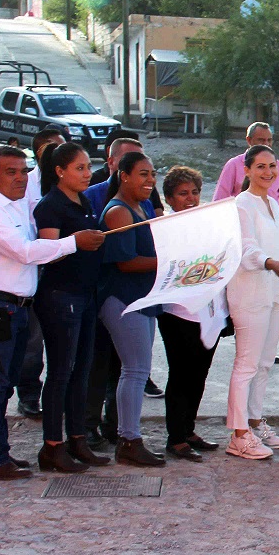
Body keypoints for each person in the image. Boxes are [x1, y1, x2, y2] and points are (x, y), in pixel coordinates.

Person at [0, 145, 103, 481]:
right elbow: (25, 251)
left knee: (6, 383)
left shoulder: (19, 203)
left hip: (19, 304)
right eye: (10, 172)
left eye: (24, 171)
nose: (20, 178)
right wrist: (74, 242)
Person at [32, 143, 112, 472]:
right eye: (78, 168)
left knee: (82, 371)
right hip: (61, 295)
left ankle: (78, 438)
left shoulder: (84, 201)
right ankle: (53, 444)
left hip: (86, 294)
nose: (86, 173)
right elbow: (48, 250)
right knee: (61, 372)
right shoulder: (50, 206)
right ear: (59, 171)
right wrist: (78, 241)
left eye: (87, 167)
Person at [85, 136, 162, 441]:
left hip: (142, 299)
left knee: (136, 370)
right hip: (122, 299)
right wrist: (168, 262)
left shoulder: (143, 207)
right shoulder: (118, 212)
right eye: (143, 174)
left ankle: (128, 433)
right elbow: (127, 262)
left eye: (153, 174)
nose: (150, 180)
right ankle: (129, 439)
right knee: (134, 371)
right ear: (123, 175)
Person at [225, 146, 279, 460]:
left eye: (272, 166)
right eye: (261, 167)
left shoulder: (272, 203)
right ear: (247, 170)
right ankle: (238, 434)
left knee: (265, 362)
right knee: (247, 364)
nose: (268, 173)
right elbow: (247, 248)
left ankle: (254, 421)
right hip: (250, 292)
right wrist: (268, 262)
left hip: (274, 292)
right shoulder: (242, 204)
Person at [156, 166, 223, 462]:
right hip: (178, 312)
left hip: (208, 311)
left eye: (195, 192)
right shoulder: (166, 226)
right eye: (183, 194)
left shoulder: (207, 223)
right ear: (170, 198)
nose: (191, 198)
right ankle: (175, 436)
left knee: (200, 373)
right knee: (181, 374)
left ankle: (189, 428)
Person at [16, 125, 69, 420]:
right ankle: (28, 394)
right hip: (34, 270)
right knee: (32, 341)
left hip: (65, 275)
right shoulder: (27, 184)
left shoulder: (72, 184)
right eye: (50, 147)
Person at [213, 122, 279, 213]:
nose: (266, 144)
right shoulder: (233, 165)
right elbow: (220, 201)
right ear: (249, 140)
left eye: (269, 140)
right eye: (261, 140)